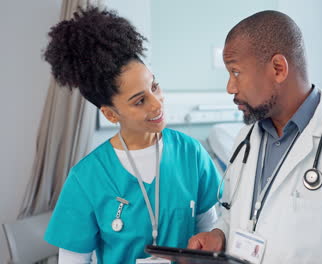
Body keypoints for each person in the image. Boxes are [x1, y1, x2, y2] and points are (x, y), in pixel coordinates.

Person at [187, 10, 322, 263]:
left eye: (236, 72)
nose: (230, 87)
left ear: (278, 68)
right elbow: (237, 214)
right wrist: (220, 234)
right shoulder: (246, 139)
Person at [43, 7, 220, 263]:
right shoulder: (87, 178)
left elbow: (209, 232)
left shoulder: (190, 153)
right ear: (111, 114)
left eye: (154, 86)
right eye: (139, 101)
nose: (156, 104)